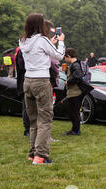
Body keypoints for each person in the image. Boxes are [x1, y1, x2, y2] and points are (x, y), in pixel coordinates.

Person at [19, 13, 65, 165]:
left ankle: (33, 153)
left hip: (28, 81)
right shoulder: (43, 40)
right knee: (45, 120)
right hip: (41, 80)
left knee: (33, 120)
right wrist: (61, 42)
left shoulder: (23, 40)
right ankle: (41, 156)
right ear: (40, 25)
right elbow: (58, 56)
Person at [63, 48, 93, 136]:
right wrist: (66, 71)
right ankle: (74, 129)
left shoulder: (75, 65)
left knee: (74, 112)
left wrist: (68, 82)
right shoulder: (76, 64)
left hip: (75, 92)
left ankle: (76, 130)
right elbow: (74, 75)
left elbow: (77, 77)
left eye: (65, 57)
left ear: (68, 56)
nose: (64, 59)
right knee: (72, 111)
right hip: (75, 92)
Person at [14, 46, 30, 136]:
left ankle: (31, 128)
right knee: (27, 107)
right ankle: (27, 129)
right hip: (24, 83)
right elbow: (22, 66)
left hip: (29, 82)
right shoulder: (22, 51)